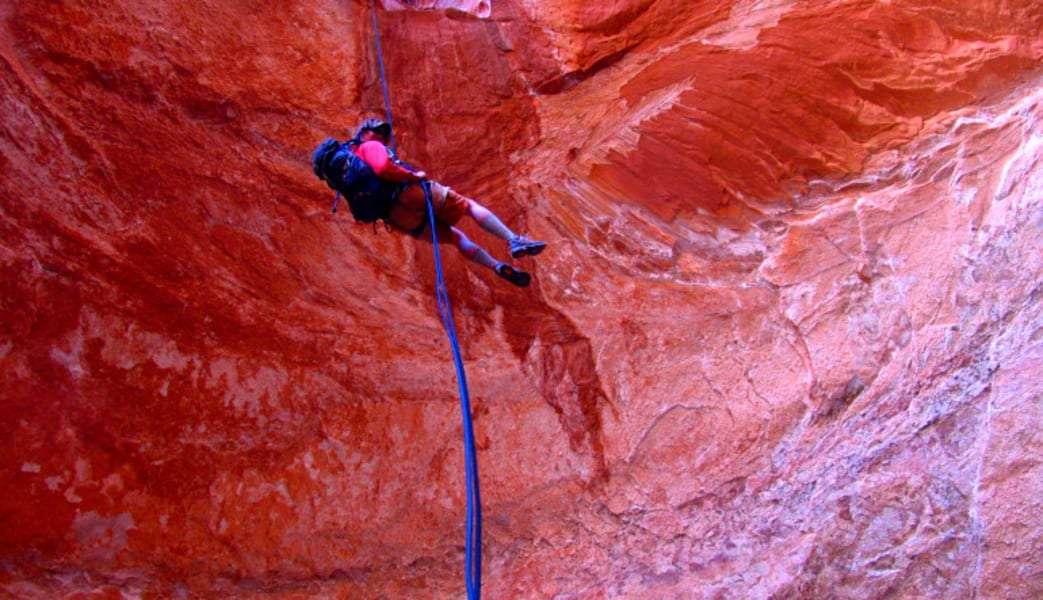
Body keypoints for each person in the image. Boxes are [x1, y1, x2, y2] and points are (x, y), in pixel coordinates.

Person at [349, 118, 546, 287]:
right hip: (409, 193)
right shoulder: (370, 146)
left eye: (384, 134)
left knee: (456, 238)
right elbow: (383, 168)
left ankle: (496, 266)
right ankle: (514, 239)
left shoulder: (351, 169)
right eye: (378, 132)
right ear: (364, 134)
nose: (383, 137)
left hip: (397, 218)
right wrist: (412, 175)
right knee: (468, 207)